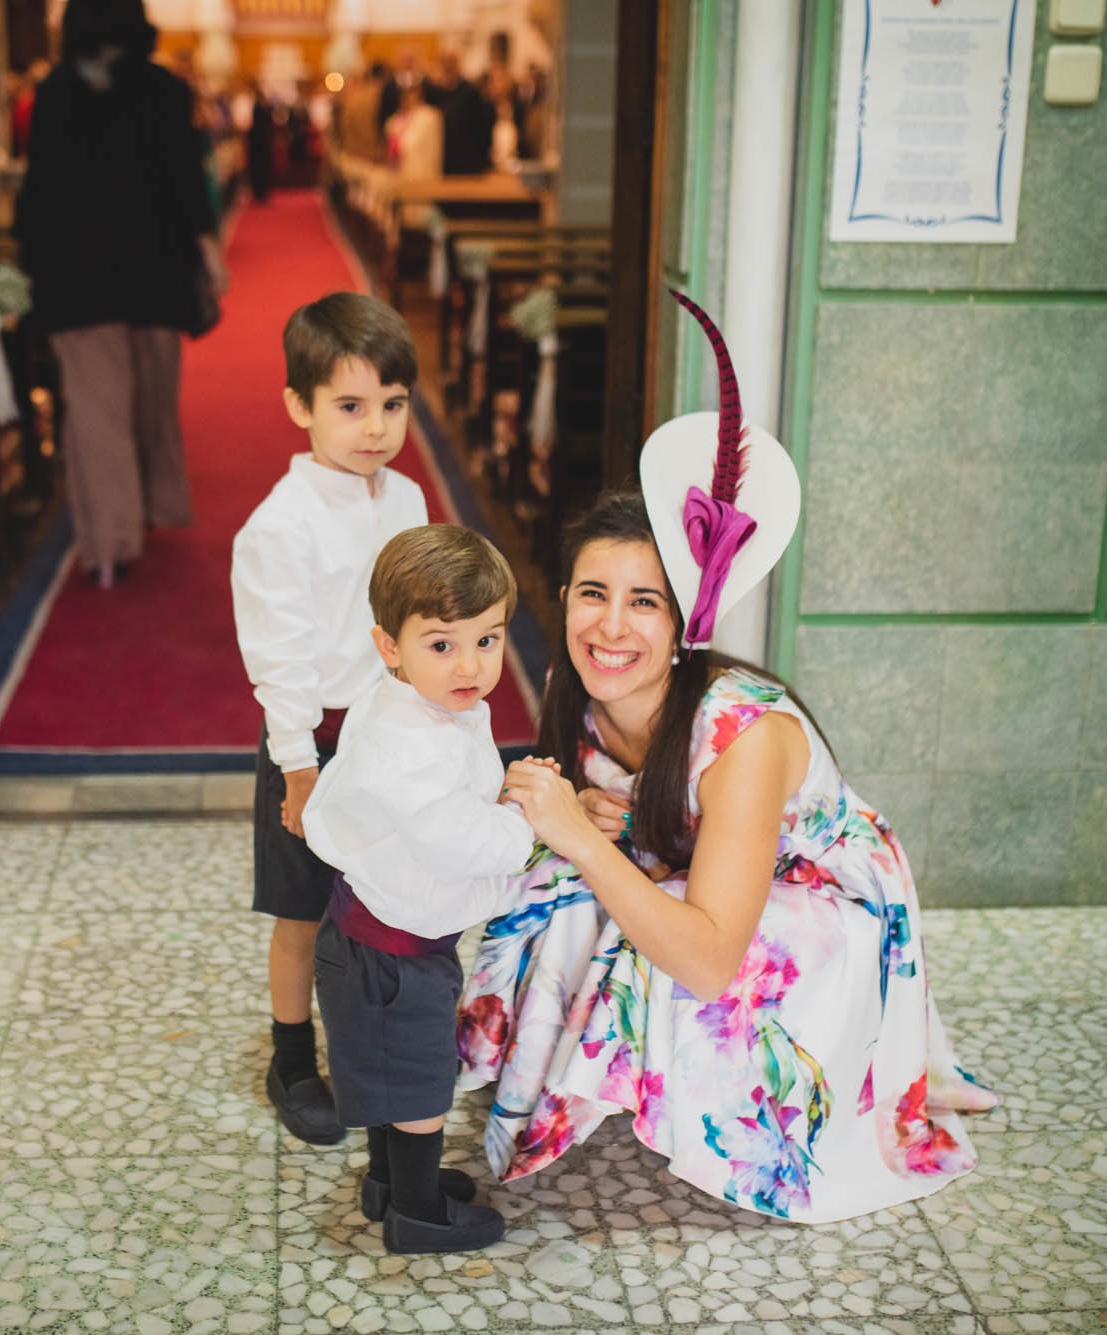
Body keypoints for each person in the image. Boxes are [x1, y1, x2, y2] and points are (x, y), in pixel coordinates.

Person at [468, 293, 999, 1223]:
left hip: (822, 907)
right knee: (553, 888)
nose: (611, 625)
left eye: (645, 601)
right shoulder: (579, 687)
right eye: (592, 593)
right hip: (702, 873)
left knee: (640, 924)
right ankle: (525, 1080)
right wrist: (585, 824)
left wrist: (591, 844)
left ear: (684, 623)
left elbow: (711, 957)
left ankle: (733, 1110)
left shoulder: (743, 735)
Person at [302, 525, 535, 1254]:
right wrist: (531, 823)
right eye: (443, 643)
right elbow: (458, 837)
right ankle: (416, 1210)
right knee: (420, 1085)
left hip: (378, 935)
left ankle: (388, 1181)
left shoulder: (420, 699)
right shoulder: (409, 746)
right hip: (391, 957)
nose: (470, 664)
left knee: (384, 1070)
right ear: (388, 647)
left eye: (489, 639)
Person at [231, 293, 428, 1148]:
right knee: (303, 909)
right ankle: (290, 1057)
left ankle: (374, 1042)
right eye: (350, 406)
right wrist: (299, 768)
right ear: (299, 407)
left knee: (384, 897)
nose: (375, 427)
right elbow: (282, 659)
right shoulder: (279, 526)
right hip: (314, 739)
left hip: (394, 729)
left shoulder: (410, 497)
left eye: (393, 405)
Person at [12, 0, 226, 589]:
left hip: (75, 277)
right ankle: (150, 508)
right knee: (151, 402)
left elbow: (40, 192)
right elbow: (186, 184)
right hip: (152, 273)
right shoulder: (162, 92)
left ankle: (109, 544)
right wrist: (207, 254)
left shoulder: (56, 93)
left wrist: (30, 261)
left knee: (97, 413)